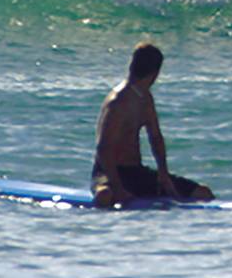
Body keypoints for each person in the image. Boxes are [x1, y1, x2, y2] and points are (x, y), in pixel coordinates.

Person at [91, 42, 214, 207]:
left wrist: (164, 175)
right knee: (104, 196)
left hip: (136, 173)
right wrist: (118, 188)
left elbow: (155, 137)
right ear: (155, 73)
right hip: (109, 173)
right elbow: (103, 149)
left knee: (202, 193)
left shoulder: (145, 99)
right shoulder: (117, 103)